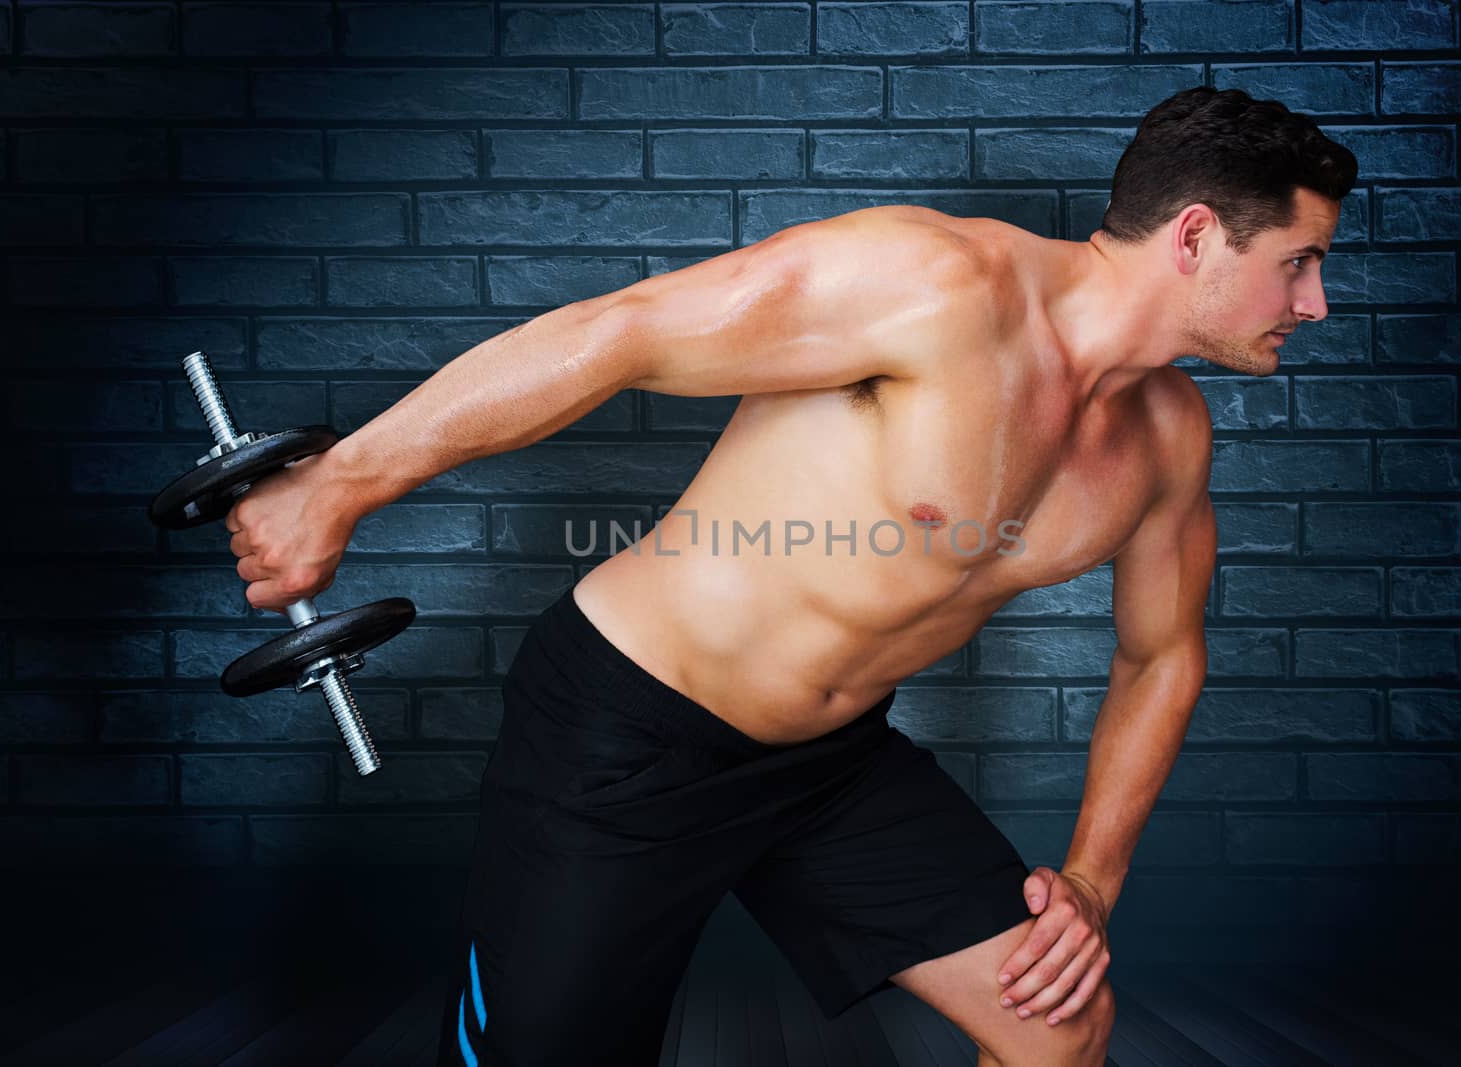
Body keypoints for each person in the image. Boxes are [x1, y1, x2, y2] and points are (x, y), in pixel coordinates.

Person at [223, 86, 1355, 1066]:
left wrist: (1094, 879)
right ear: (1196, 234)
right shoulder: (936, 283)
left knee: (1055, 1016)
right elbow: (625, 332)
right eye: (1296, 262)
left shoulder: (1168, 435)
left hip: (828, 764)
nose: (1313, 304)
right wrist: (345, 481)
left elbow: (1161, 654)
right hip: (626, 733)